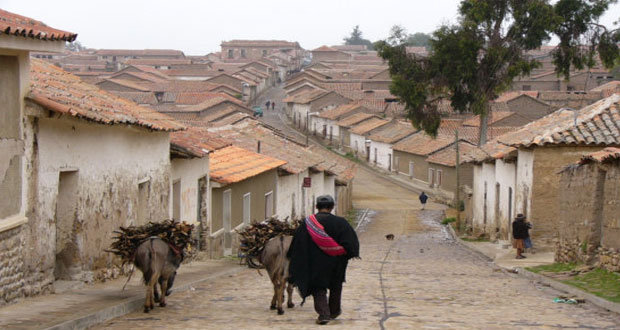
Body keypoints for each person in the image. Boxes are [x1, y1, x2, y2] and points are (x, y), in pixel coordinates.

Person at [287, 195, 359, 325]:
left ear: (316, 207)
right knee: (336, 286)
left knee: (318, 288)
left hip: (315, 264)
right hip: (337, 262)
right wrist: (342, 255)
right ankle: (334, 311)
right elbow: (351, 245)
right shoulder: (341, 223)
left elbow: (297, 246)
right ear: (332, 207)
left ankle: (324, 314)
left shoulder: (307, 224)